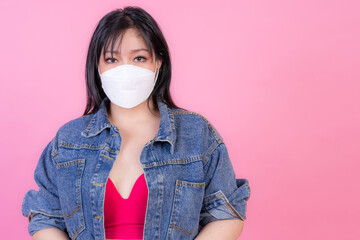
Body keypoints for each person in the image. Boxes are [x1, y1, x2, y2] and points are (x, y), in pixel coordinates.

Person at [21, 6, 251, 240]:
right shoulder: (69, 140)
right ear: (97, 66)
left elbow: (226, 213)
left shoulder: (196, 133)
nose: (125, 69)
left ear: (158, 62)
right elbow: (45, 216)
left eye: (139, 58)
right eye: (112, 59)